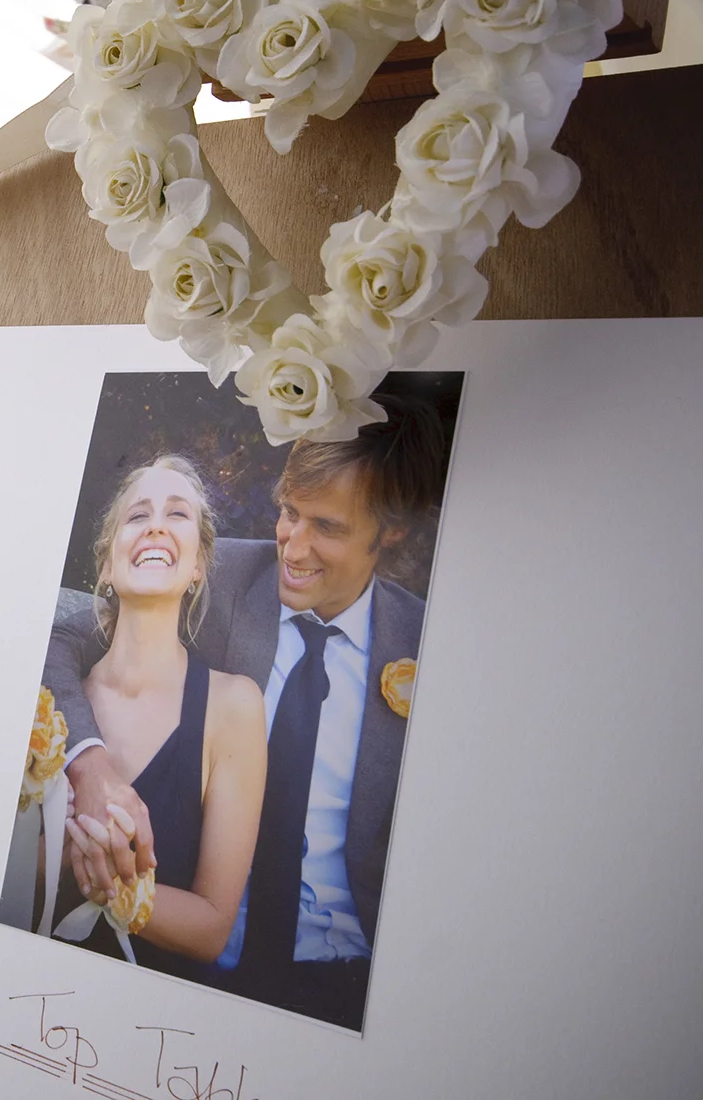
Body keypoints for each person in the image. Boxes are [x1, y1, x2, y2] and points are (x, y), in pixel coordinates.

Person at [43, 397, 445, 1029]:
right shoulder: (215, 569)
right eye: (289, 512)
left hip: (345, 976)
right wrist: (87, 764)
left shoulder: (429, 645)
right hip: (194, 955)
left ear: (390, 531)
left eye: (328, 527)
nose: (294, 543)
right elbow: (64, 639)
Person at [51, 456, 266, 981]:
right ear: (106, 564)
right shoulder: (54, 706)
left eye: (177, 515)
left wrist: (114, 886)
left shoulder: (234, 705)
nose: (155, 526)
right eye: (137, 515)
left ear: (198, 565)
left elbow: (213, 926)